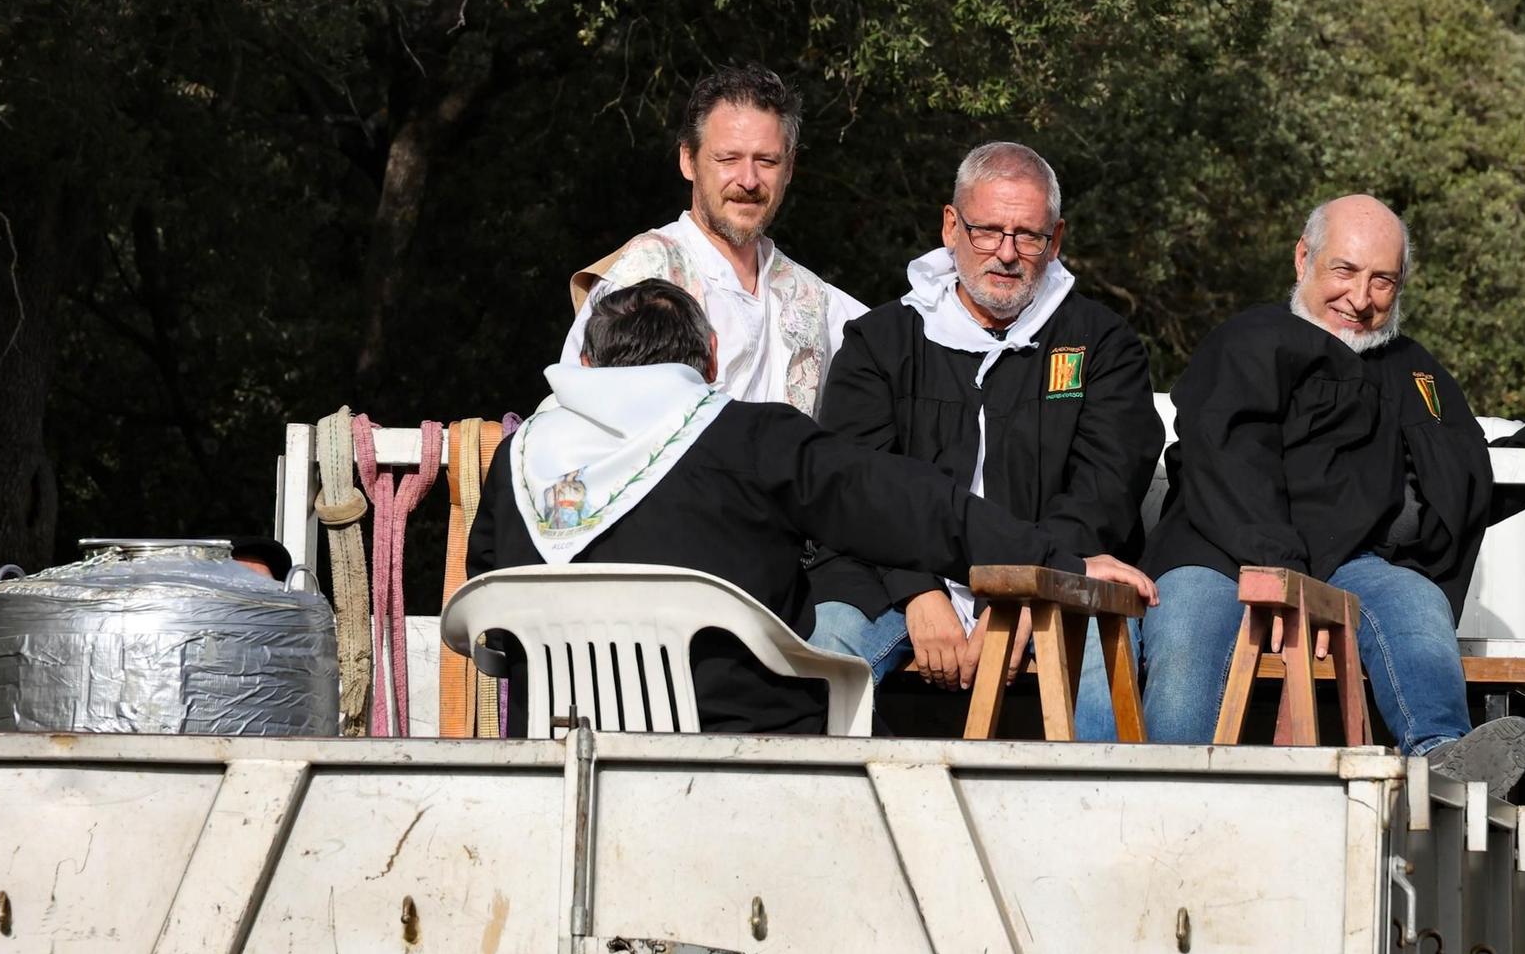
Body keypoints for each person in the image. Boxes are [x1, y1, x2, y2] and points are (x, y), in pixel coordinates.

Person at [472, 281, 1155, 735]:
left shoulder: (521, 457)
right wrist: (1058, 561)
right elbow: (918, 507)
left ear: (587, 363)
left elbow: (490, 616)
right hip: (747, 751)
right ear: (711, 359)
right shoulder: (753, 438)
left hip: (559, 752)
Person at [1139, 194, 1525, 798]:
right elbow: (1226, 466)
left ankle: (1442, 767)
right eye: (1344, 271)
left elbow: (1468, 471)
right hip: (1219, 553)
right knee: (1184, 630)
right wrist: (1291, 584)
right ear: (1302, 259)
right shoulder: (1247, 340)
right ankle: (1164, 791)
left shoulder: (1411, 369)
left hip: (1350, 566)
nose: (1360, 299)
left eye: (1382, 281)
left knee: (1414, 599)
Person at [805, 143, 1164, 738]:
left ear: (1056, 240)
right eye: (987, 230)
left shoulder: (1103, 344)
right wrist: (919, 592)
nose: (1006, 253)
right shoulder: (881, 341)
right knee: (821, 664)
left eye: (1028, 235)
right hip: (889, 581)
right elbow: (859, 484)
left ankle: (1103, 821)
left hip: (1056, 583)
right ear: (951, 225)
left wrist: (1029, 585)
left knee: (1103, 659)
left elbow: (1106, 488)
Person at [561, 63, 867, 415]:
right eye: (728, 158)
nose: (749, 180)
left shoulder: (814, 298)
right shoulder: (636, 279)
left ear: (790, 168)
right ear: (688, 160)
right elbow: (576, 418)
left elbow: (905, 348)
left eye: (766, 161)